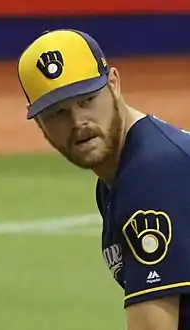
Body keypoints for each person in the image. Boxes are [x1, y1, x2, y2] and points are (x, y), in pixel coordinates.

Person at [17, 29, 190, 330]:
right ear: (40, 125)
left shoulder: (151, 175)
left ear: (114, 84)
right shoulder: (120, 175)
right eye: (57, 113)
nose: (77, 123)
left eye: (87, 100)